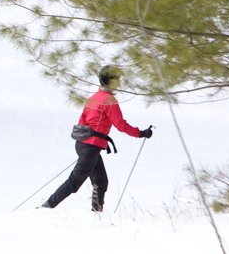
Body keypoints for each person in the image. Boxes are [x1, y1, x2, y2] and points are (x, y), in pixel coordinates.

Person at [40, 65, 153, 212]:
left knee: (100, 181)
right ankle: (47, 206)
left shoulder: (93, 98)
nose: (119, 82)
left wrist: (87, 144)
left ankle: (96, 213)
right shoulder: (109, 100)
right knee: (75, 182)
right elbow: (120, 124)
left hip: (83, 145)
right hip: (91, 147)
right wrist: (141, 133)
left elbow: (82, 121)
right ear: (110, 81)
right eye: (117, 79)